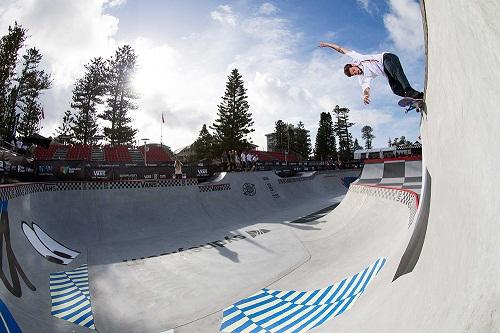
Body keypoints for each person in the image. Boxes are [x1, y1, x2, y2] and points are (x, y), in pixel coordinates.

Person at [319, 41, 423, 104]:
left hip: (387, 58)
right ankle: (417, 96)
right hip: (387, 71)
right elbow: (366, 89)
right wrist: (366, 96)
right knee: (395, 90)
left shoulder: (357, 58)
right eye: (354, 74)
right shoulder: (363, 79)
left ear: (354, 65)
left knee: (395, 72)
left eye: (354, 71)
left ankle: (409, 91)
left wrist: (327, 45)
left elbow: (341, 49)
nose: (356, 73)